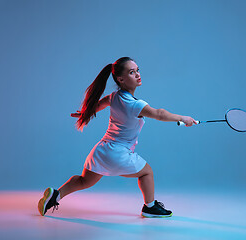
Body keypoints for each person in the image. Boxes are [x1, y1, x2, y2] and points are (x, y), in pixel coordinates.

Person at [38, 57, 197, 218]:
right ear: (121, 79)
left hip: (101, 150)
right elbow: (159, 114)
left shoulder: (115, 96)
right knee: (147, 172)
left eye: (137, 70)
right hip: (118, 153)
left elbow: (101, 103)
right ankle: (150, 207)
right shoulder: (135, 104)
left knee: (83, 181)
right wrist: (183, 118)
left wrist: (85, 113)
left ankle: (55, 195)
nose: (137, 75)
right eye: (131, 72)